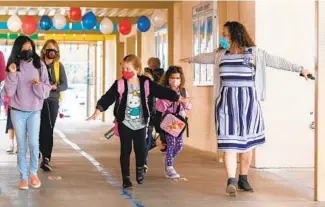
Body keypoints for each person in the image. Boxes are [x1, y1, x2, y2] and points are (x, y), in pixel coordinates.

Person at [180, 21, 311, 197]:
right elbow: (205, 57)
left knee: (247, 144)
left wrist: (300, 69)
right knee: (229, 143)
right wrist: (191, 59)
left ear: (235, 34)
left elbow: (277, 61)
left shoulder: (254, 54)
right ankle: (231, 180)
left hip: (248, 105)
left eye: (225, 34)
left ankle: (243, 177)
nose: (223, 38)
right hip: (226, 104)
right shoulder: (221, 55)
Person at [87, 54, 187, 189]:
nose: (125, 72)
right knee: (125, 151)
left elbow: (161, 91)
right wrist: (98, 109)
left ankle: (140, 169)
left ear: (137, 69)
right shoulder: (120, 84)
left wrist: (177, 97)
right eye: (124, 68)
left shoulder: (145, 83)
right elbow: (108, 97)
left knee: (140, 150)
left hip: (140, 124)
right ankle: (126, 179)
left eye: (128, 69)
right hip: (125, 123)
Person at [4, 35, 51, 190]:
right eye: (24, 49)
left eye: (29, 48)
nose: (27, 51)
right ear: (18, 50)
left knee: (33, 143)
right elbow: (9, 92)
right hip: (17, 111)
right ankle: (23, 177)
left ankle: (33, 173)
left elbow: (46, 92)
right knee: (22, 145)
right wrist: (11, 74)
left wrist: (38, 86)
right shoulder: (13, 66)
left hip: (34, 111)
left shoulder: (40, 65)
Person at [156, 66, 192, 179]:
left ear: (181, 79)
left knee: (180, 145)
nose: (175, 80)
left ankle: (168, 159)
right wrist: (170, 99)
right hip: (168, 120)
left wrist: (185, 102)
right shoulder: (164, 91)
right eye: (172, 78)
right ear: (168, 78)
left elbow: (188, 106)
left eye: (177, 78)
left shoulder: (183, 91)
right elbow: (159, 107)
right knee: (171, 144)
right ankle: (170, 167)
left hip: (179, 121)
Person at [39, 39, 68, 171]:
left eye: (54, 50)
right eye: (49, 48)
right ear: (44, 50)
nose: (51, 51)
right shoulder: (37, 65)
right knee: (39, 127)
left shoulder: (58, 66)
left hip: (52, 100)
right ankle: (39, 150)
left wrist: (56, 87)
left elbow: (65, 85)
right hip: (39, 99)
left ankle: (46, 157)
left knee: (49, 128)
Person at [144, 57, 167, 153]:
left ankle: (150, 143)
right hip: (159, 106)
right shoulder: (164, 75)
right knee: (161, 125)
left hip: (151, 105)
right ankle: (164, 142)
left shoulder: (146, 75)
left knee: (150, 127)